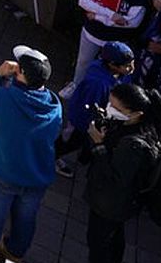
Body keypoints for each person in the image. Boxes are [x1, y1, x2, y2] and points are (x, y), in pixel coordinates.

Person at [0, 46, 62, 263]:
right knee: (25, 218)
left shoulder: (1, 97)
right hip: (36, 176)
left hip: (0, 172)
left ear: (19, 72)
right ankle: (15, 251)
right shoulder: (54, 104)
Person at [84, 83, 161, 263]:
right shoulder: (140, 128)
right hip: (121, 206)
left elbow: (115, 179)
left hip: (110, 205)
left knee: (98, 249)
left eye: (116, 108)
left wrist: (99, 144)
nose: (109, 109)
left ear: (136, 114)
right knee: (114, 236)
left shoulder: (134, 145)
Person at [73, 0, 156, 83]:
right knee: (83, 62)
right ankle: (76, 86)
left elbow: (132, 22)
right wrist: (111, 15)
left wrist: (98, 16)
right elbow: (83, 1)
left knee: (108, 72)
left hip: (115, 42)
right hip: (91, 35)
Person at [55, 41, 135, 177]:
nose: (131, 68)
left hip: (92, 118)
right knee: (69, 141)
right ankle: (52, 158)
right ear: (112, 65)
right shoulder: (98, 84)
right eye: (126, 66)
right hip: (82, 120)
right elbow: (89, 107)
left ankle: (83, 157)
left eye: (132, 63)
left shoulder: (107, 69)